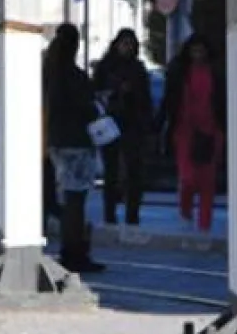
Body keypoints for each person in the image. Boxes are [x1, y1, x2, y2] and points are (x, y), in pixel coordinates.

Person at [42, 24, 105, 274]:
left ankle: (71, 249)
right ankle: (74, 252)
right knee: (76, 200)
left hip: (57, 140)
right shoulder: (73, 75)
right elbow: (85, 106)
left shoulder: (48, 73)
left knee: (69, 198)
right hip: (77, 141)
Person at [160, 34, 225, 232]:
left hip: (211, 129)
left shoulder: (215, 72)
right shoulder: (180, 72)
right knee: (188, 177)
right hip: (185, 129)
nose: (198, 54)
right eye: (194, 50)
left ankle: (204, 223)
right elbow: (170, 99)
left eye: (201, 50)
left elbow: (221, 99)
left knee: (207, 180)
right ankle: (186, 212)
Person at [92, 28, 153, 226]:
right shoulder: (106, 66)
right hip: (111, 123)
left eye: (130, 44)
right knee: (111, 171)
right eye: (124, 44)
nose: (127, 48)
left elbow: (145, 98)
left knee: (134, 170)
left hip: (133, 123)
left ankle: (132, 213)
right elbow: (95, 92)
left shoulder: (138, 68)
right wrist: (114, 92)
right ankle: (110, 213)